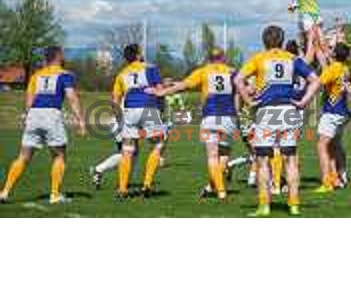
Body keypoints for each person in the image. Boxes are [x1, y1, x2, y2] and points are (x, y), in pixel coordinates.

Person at [234, 25, 320, 217]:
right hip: (289, 110)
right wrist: (303, 102)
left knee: (263, 160)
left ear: (264, 41)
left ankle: (264, 206)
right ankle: (294, 205)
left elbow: (238, 79)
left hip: (267, 111)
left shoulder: (258, 58)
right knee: (290, 160)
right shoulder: (293, 59)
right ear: (281, 41)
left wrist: (249, 101)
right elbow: (316, 80)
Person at [0, 46, 85, 204]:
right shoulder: (65, 75)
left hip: (33, 114)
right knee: (59, 155)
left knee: (23, 156)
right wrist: (80, 121)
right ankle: (55, 195)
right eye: (63, 55)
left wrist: (27, 116)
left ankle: (4, 192)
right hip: (51, 115)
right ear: (58, 56)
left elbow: (29, 100)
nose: (64, 57)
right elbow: (72, 98)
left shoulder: (36, 76)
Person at [152, 48, 238, 201]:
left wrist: (162, 92)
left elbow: (183, 86)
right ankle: (212, 187)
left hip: (210, 117)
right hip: (228, 118)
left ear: (208, 58)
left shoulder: (203, 71)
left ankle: (220, 191)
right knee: (223, 155)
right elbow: (245, 87)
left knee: (212, 156)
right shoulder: (232, 72)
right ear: (223, 58)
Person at [314, 42, 351, 193]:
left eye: (331, 49)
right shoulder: (344, 69)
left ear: (334, 54)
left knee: (321, 146)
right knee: (334, 146)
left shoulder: (332, 69)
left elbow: (318, 83)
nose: (329, 50)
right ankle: (338, 177)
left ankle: (327, 182)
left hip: (331, 113)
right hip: (341, 113)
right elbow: (325, 55)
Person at [113, 43, 166, 198]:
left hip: (129, 110)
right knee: (158, 144)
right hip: (149, 107)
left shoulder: (121, 73)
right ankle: (147, 184)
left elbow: (115, 98)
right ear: (137, 55)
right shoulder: (150, 68)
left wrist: (119, 118)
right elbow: (160, 90)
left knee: (127, 150)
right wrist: (161, 108)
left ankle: (122, 189)